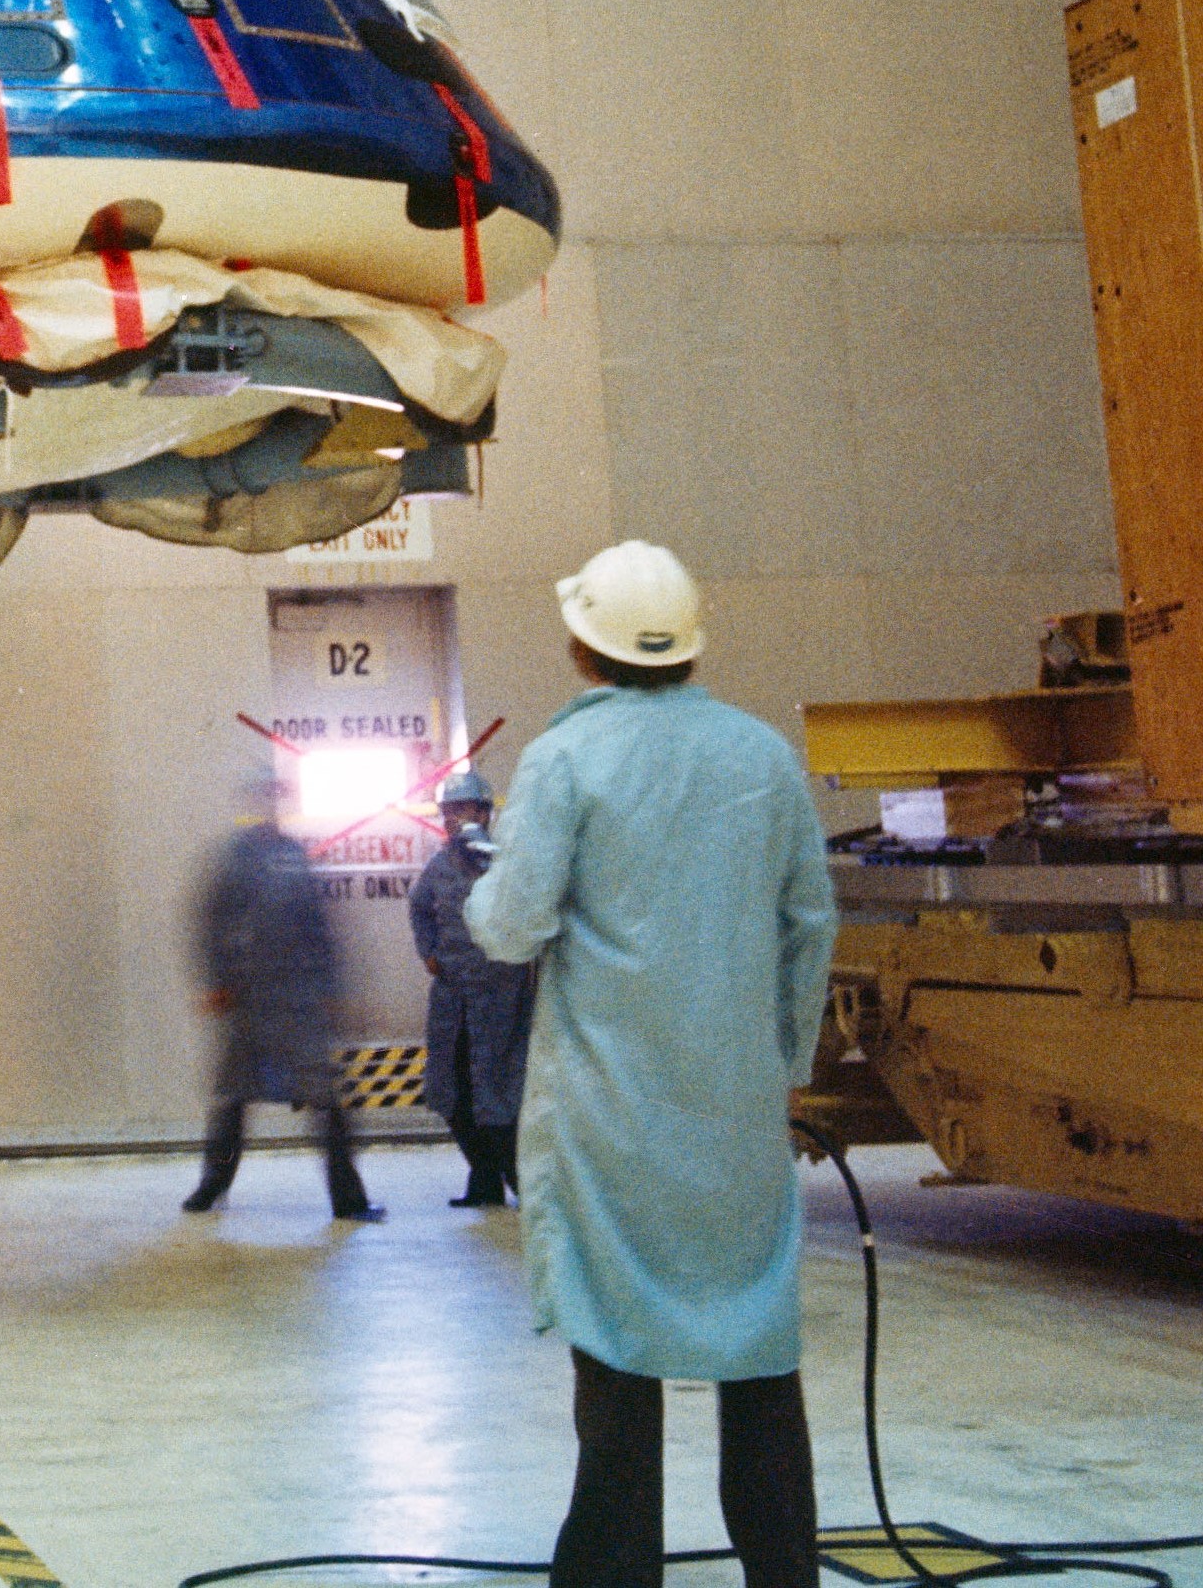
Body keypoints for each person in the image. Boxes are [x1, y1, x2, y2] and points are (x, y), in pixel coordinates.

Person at [465, 543, 838, 1588]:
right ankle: (782, 1572)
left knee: (616, 1374)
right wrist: (787, 1062)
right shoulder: (760, 753)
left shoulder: (564, 760)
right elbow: (811, 920)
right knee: (758, 1356)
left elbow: (509, 925)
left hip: (608, 1116)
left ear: (582, 643)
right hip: (735, 1114)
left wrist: (477, 886)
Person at [181, 769, 377, 1224]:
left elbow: (321, 930)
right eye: (263, 797)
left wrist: (331, 990)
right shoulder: (231, 858)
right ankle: (212, 1186)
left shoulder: (296, 857)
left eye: (277, 798)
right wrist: (214, 981)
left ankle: (349, 1199)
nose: (270, 806)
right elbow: (208, 923)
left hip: (299, 998)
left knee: (326, 1099)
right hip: (249, 998)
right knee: (231, 1099)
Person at [408, 763, 535, 1207]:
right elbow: (419, 909)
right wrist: (428, 951)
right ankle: (483, 1179)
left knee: (500, 1092)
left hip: (503, 997)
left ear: (484, 811)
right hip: (452, 1000)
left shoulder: (508, 861)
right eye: (448, 811)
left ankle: (521, 1182)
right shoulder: (440, 866)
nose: (454, 819)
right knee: (454, 1092)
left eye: (463, 809)